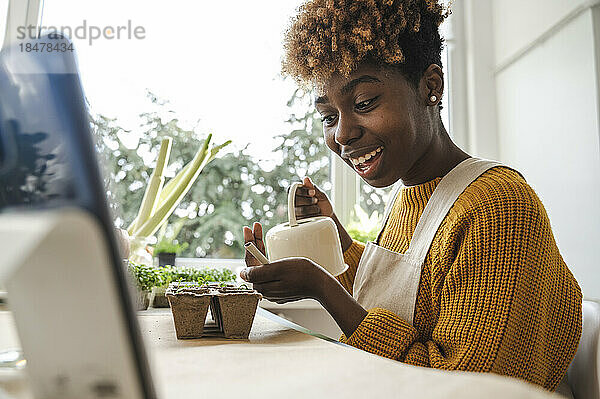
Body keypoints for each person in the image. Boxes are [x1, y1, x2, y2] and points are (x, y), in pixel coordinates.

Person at [240, 0, 582, 394]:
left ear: (430, 86)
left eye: (364, 103)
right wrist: (333, 242)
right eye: (329, 116)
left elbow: (466, 387)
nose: (342, 134)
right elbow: (400, 303)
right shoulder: (410, 196)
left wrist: (323, 288)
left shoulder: (497, 206)